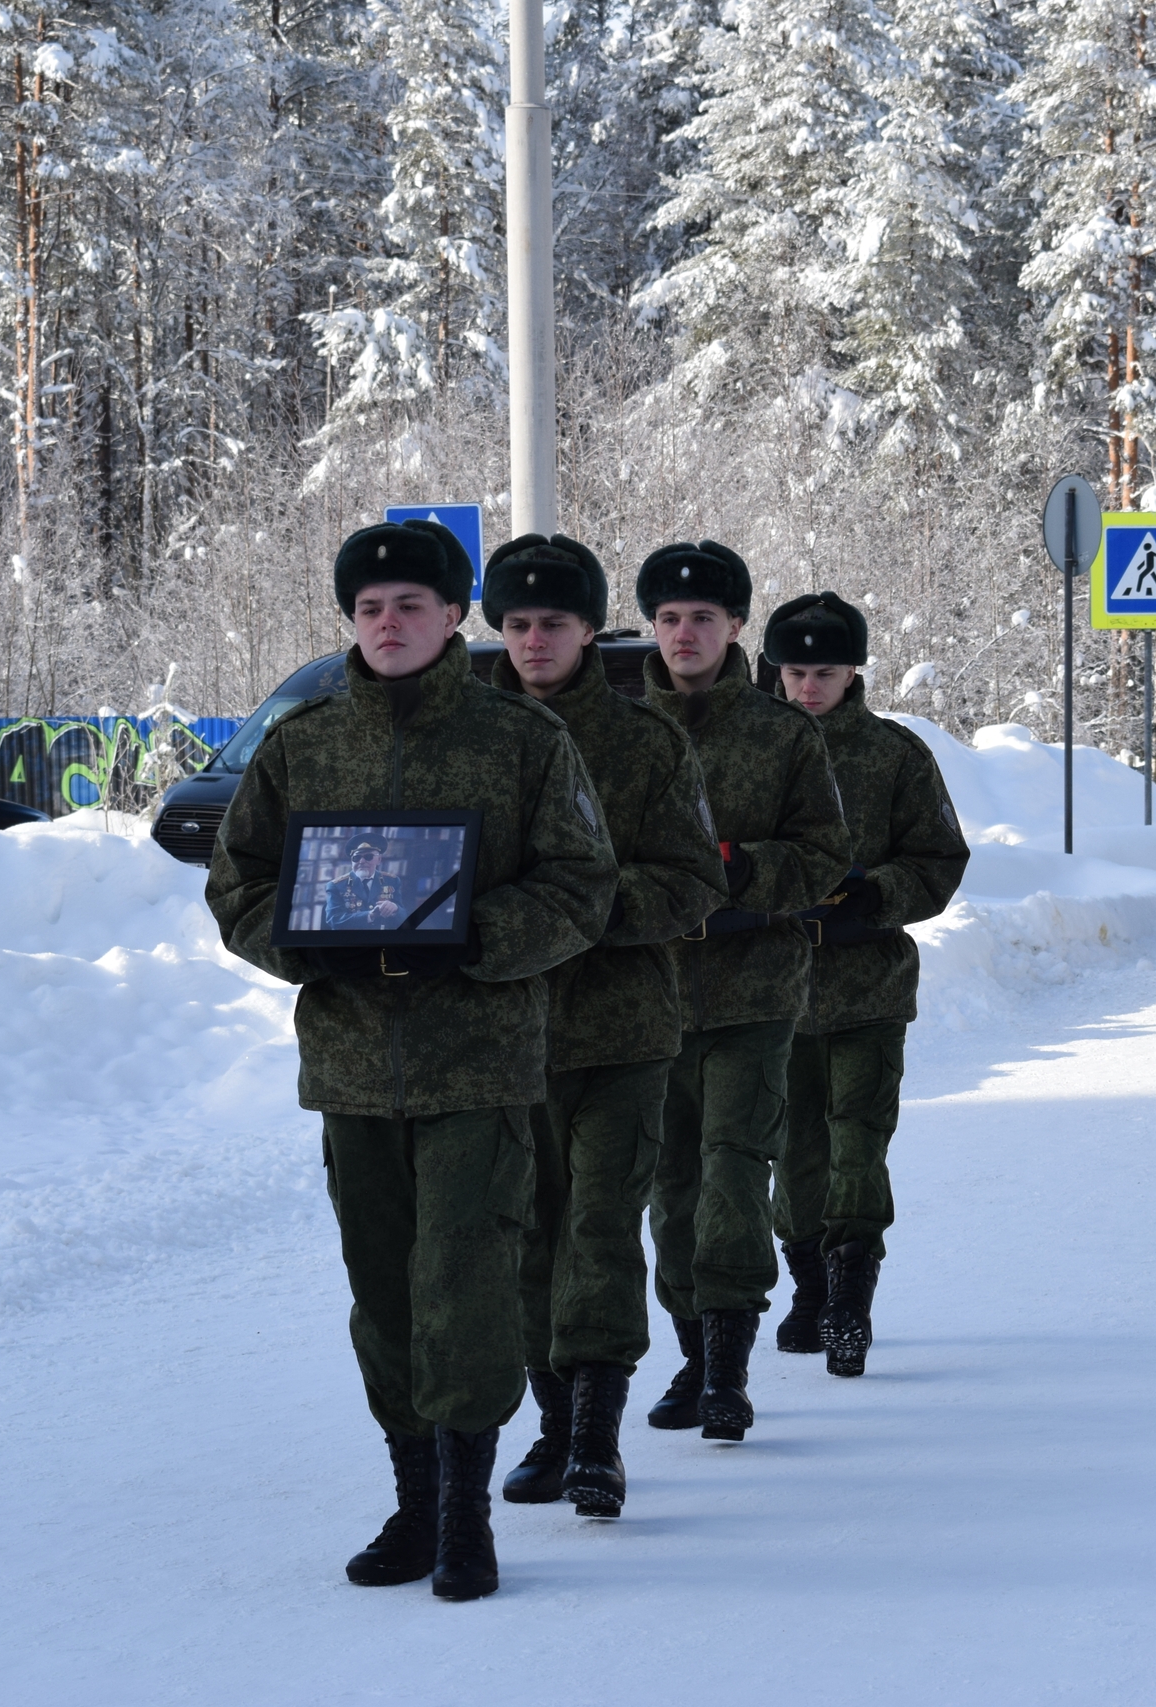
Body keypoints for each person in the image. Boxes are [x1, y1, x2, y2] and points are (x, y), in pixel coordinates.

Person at [207, 518, 618, 1602]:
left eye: (410, 605)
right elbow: (237, 884)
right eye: (369, 608)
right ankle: (412, 1495)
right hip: (350, 1064)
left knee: (466, 1285)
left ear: (449, 617)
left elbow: (583, 886)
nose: (387, 624)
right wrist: (292, 939)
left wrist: (477, 934)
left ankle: (467, 1511)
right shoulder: (303, 744)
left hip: (477, 1061)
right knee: (383, 1294)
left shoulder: (523, 743)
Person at [482, 534, 726, 1519]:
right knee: (527, 1241)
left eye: (554, 623)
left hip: (620, 1030)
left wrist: (572, 908)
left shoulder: (643, 743)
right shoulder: (472, 736)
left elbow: (691, 885)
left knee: (597, 1231)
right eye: (516, 623)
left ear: (590, 630)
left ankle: (593, 1436)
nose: (534, 640)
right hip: (501, 1036)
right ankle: (549, 1421)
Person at [637, 542, 852, 1442]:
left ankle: (728, 1366)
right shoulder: (619, 734)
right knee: (668, 1188)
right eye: (670, 619)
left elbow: (824, 856)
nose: (685, 635)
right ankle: (692, 1349)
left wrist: (736, 870)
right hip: (646, 993)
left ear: (735, 629)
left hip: (753, 986)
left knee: (731, 1174)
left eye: (703, 619)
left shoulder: (781, 735)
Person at [760, 592, 969, 1377]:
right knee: (792, 1149)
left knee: (858, 1139)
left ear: (854, 672)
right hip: (772, 984)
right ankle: (808, 1283)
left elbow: (938, 860)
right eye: (795, 671)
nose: (808, 686)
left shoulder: (894, 755)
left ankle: (850, 1293)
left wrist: (873, 893)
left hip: (867, 984)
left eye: (825, 671)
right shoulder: (755, 750)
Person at [322, 839, 403, 930]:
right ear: (351, 861)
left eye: (368, 857)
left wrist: (396, 909)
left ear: (379, 859)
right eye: (356, 858)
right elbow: (334, 920)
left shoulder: (391, 881)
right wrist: (369, 915)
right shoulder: (336, 886)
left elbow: (404, 916)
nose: (361, 861)